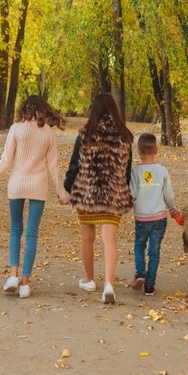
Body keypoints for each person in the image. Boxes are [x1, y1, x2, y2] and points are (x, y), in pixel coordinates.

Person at [0, 96, 70, 299]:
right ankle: (25, 283)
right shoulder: (49, 134)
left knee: (15, 229)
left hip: (16, 185)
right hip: (38, 186)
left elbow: (5, 161)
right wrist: (62, 193)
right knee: (32, 234)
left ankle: (12, 275)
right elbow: (53, 168)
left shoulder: (16, 129)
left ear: (24, 109)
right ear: (44, 110)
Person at [64, 93, 134, 304]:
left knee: (88, 237)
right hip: (113, 194)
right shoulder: (124, 135)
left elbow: (74, 165)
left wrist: (68, 188)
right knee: (109, 240)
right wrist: (124, 190)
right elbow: (127, 170)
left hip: (87, 193)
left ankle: (89, 279)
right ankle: (109, 285)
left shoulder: (85, 134)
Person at [129, 133, 180, 296]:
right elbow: (169, 195)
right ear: (156, 150)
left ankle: (140, 273)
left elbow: (132, 194)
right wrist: (173, 209)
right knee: (154, 251)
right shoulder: (162, 171)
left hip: (142, 218)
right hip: (159, 218)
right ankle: (149, 285)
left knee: (139, 245)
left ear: (138, 152)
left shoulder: (135, 171)